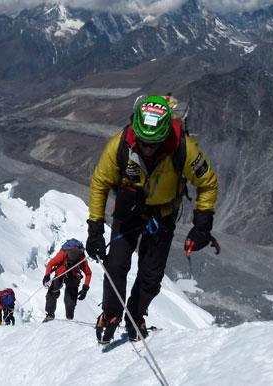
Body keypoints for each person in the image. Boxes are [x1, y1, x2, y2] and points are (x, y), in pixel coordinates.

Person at [85, 94, 218, 344]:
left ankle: (135, 314)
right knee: (115, 266)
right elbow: (100, 183)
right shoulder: (121, 145)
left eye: (153, 143)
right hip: (128, 214)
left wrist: (202, 224)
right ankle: (112, 313)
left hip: (163, 215)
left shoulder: (183, 148)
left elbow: (207, 182)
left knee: (151, 275)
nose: (147, 148)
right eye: (143, 142)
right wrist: (95, 228)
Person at [43, 239, 92, 322]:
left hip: (74, 275)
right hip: (61, 272)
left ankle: (69, 317)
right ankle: (50, 315)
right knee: (52, 293)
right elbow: (51, 263)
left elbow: (88, 273)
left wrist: (85, 288)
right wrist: (47, 275)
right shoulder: (62, 254)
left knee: (70, 299)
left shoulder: (82, 259)